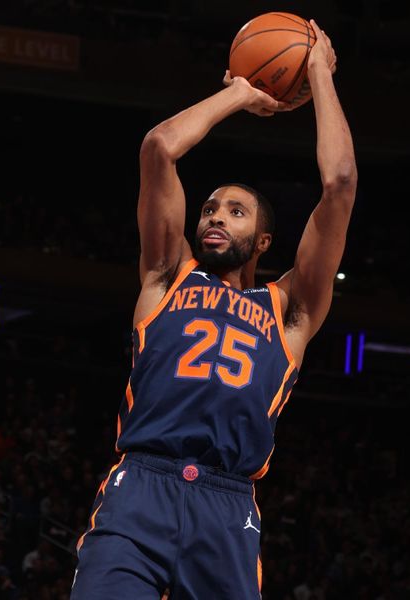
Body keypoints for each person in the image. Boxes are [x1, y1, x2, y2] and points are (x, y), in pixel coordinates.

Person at [72, 19, 356, 600]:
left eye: (235, 211)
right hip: (140, 491)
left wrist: (320, 73)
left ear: (265, 242)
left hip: (227, 508)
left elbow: (341, 184)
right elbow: (159, 147)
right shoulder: (165, 277)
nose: (215, 217)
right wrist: (239, 94)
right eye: (208, 209)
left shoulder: (290, 310)